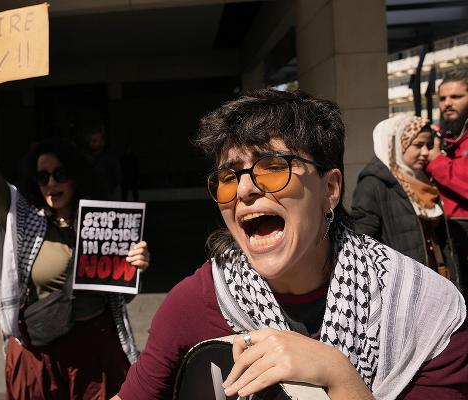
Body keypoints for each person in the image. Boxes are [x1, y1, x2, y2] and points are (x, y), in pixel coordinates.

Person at [114, 90, 468, 400]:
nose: (244, 190)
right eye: (227, 177)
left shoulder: (424, 311)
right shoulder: (195, 301)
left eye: (271, 167)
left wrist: (338, 376)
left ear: (330, 189)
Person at [0, 83, 150, 399]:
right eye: (43, 176)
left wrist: (135, 268)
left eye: (60, 174)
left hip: (96, 351)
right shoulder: (27, 217)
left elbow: (119, 298)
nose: (51, 183)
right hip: (44, 354)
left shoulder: (104, 224)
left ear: (77, 176)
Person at [352, 115, 461, 290]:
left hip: (439, 282)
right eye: (418, 145)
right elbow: (363, 244)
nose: (425, 152)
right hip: (403, 289)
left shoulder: (424, 180)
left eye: (429, 146)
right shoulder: (373, 185)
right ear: (397, 145)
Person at [428, 69, 468, 294]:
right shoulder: (439, 136)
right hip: (443, 234)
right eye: (443, 98)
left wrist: (437, 162)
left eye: (456, 97)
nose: (447, 103)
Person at [85, 124, 121, 200]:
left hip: (107, 200)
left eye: (95, 141)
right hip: (90, 200)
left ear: (102, 142)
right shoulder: (85, 159)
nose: (92, 143)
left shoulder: (111, 159)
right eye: (91, 141)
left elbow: (117, 180)